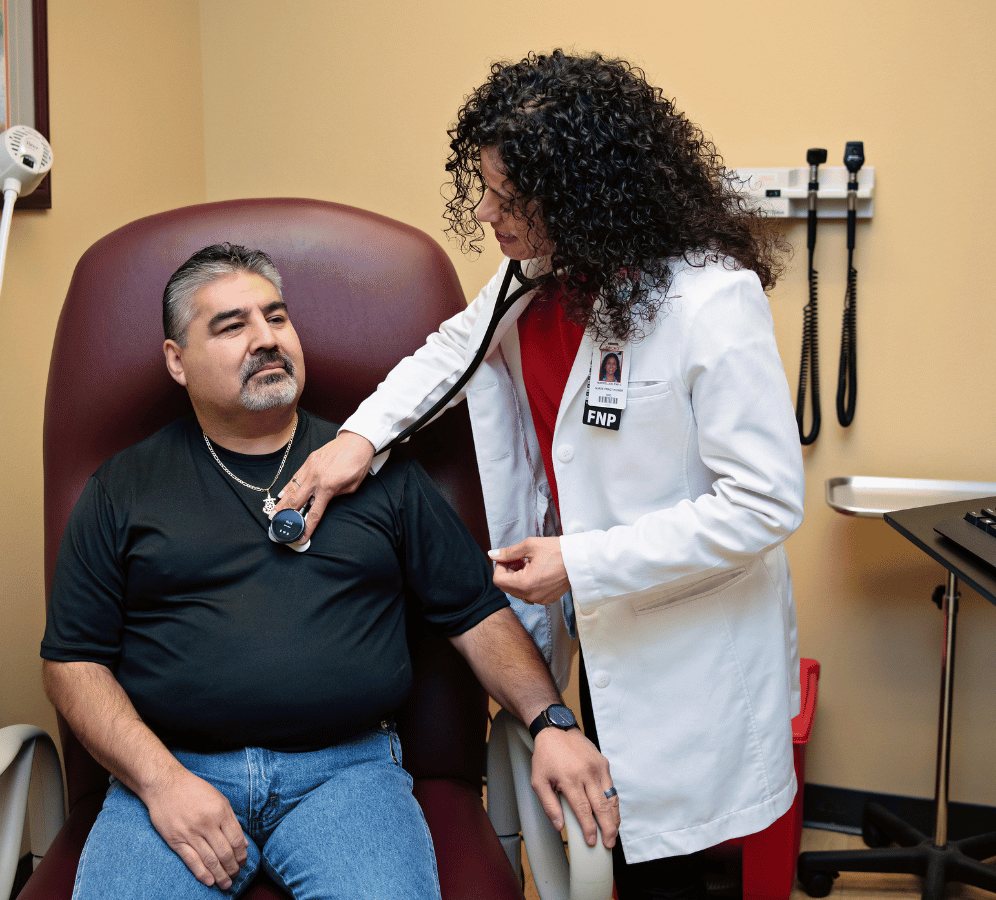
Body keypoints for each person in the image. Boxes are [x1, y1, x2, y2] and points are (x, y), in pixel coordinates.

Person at [276, 51, 804, 900]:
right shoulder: (538, 275)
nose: (485, 212)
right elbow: (454, 348)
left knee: (683, 866)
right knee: (617, 831)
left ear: (585, 194)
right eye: (482, 188)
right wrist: (360, 440)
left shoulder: (710, 302)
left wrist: (581, 560)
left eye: (509, 199)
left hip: (685, 630)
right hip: (601, 622)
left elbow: (765, 502)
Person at [41, 243, 617, 900]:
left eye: (277, 318)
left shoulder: (376, 475)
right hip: (172, 769)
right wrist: (159, 782)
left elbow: (475, 612)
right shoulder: (123, 487)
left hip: (347, 773)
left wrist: (552, 722)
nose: (266, 340)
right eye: (232, 326)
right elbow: (73, 662)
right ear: (177, 360)